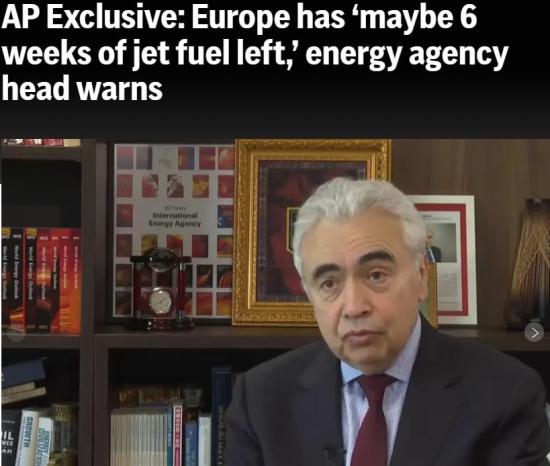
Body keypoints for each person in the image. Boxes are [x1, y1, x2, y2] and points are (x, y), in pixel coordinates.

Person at [225, 178, 550, 466]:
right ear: (309, 294)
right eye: (329, 283)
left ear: (421, 276)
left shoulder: (505, 394)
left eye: (376, 275)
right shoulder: (261, 399)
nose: (354, 307)